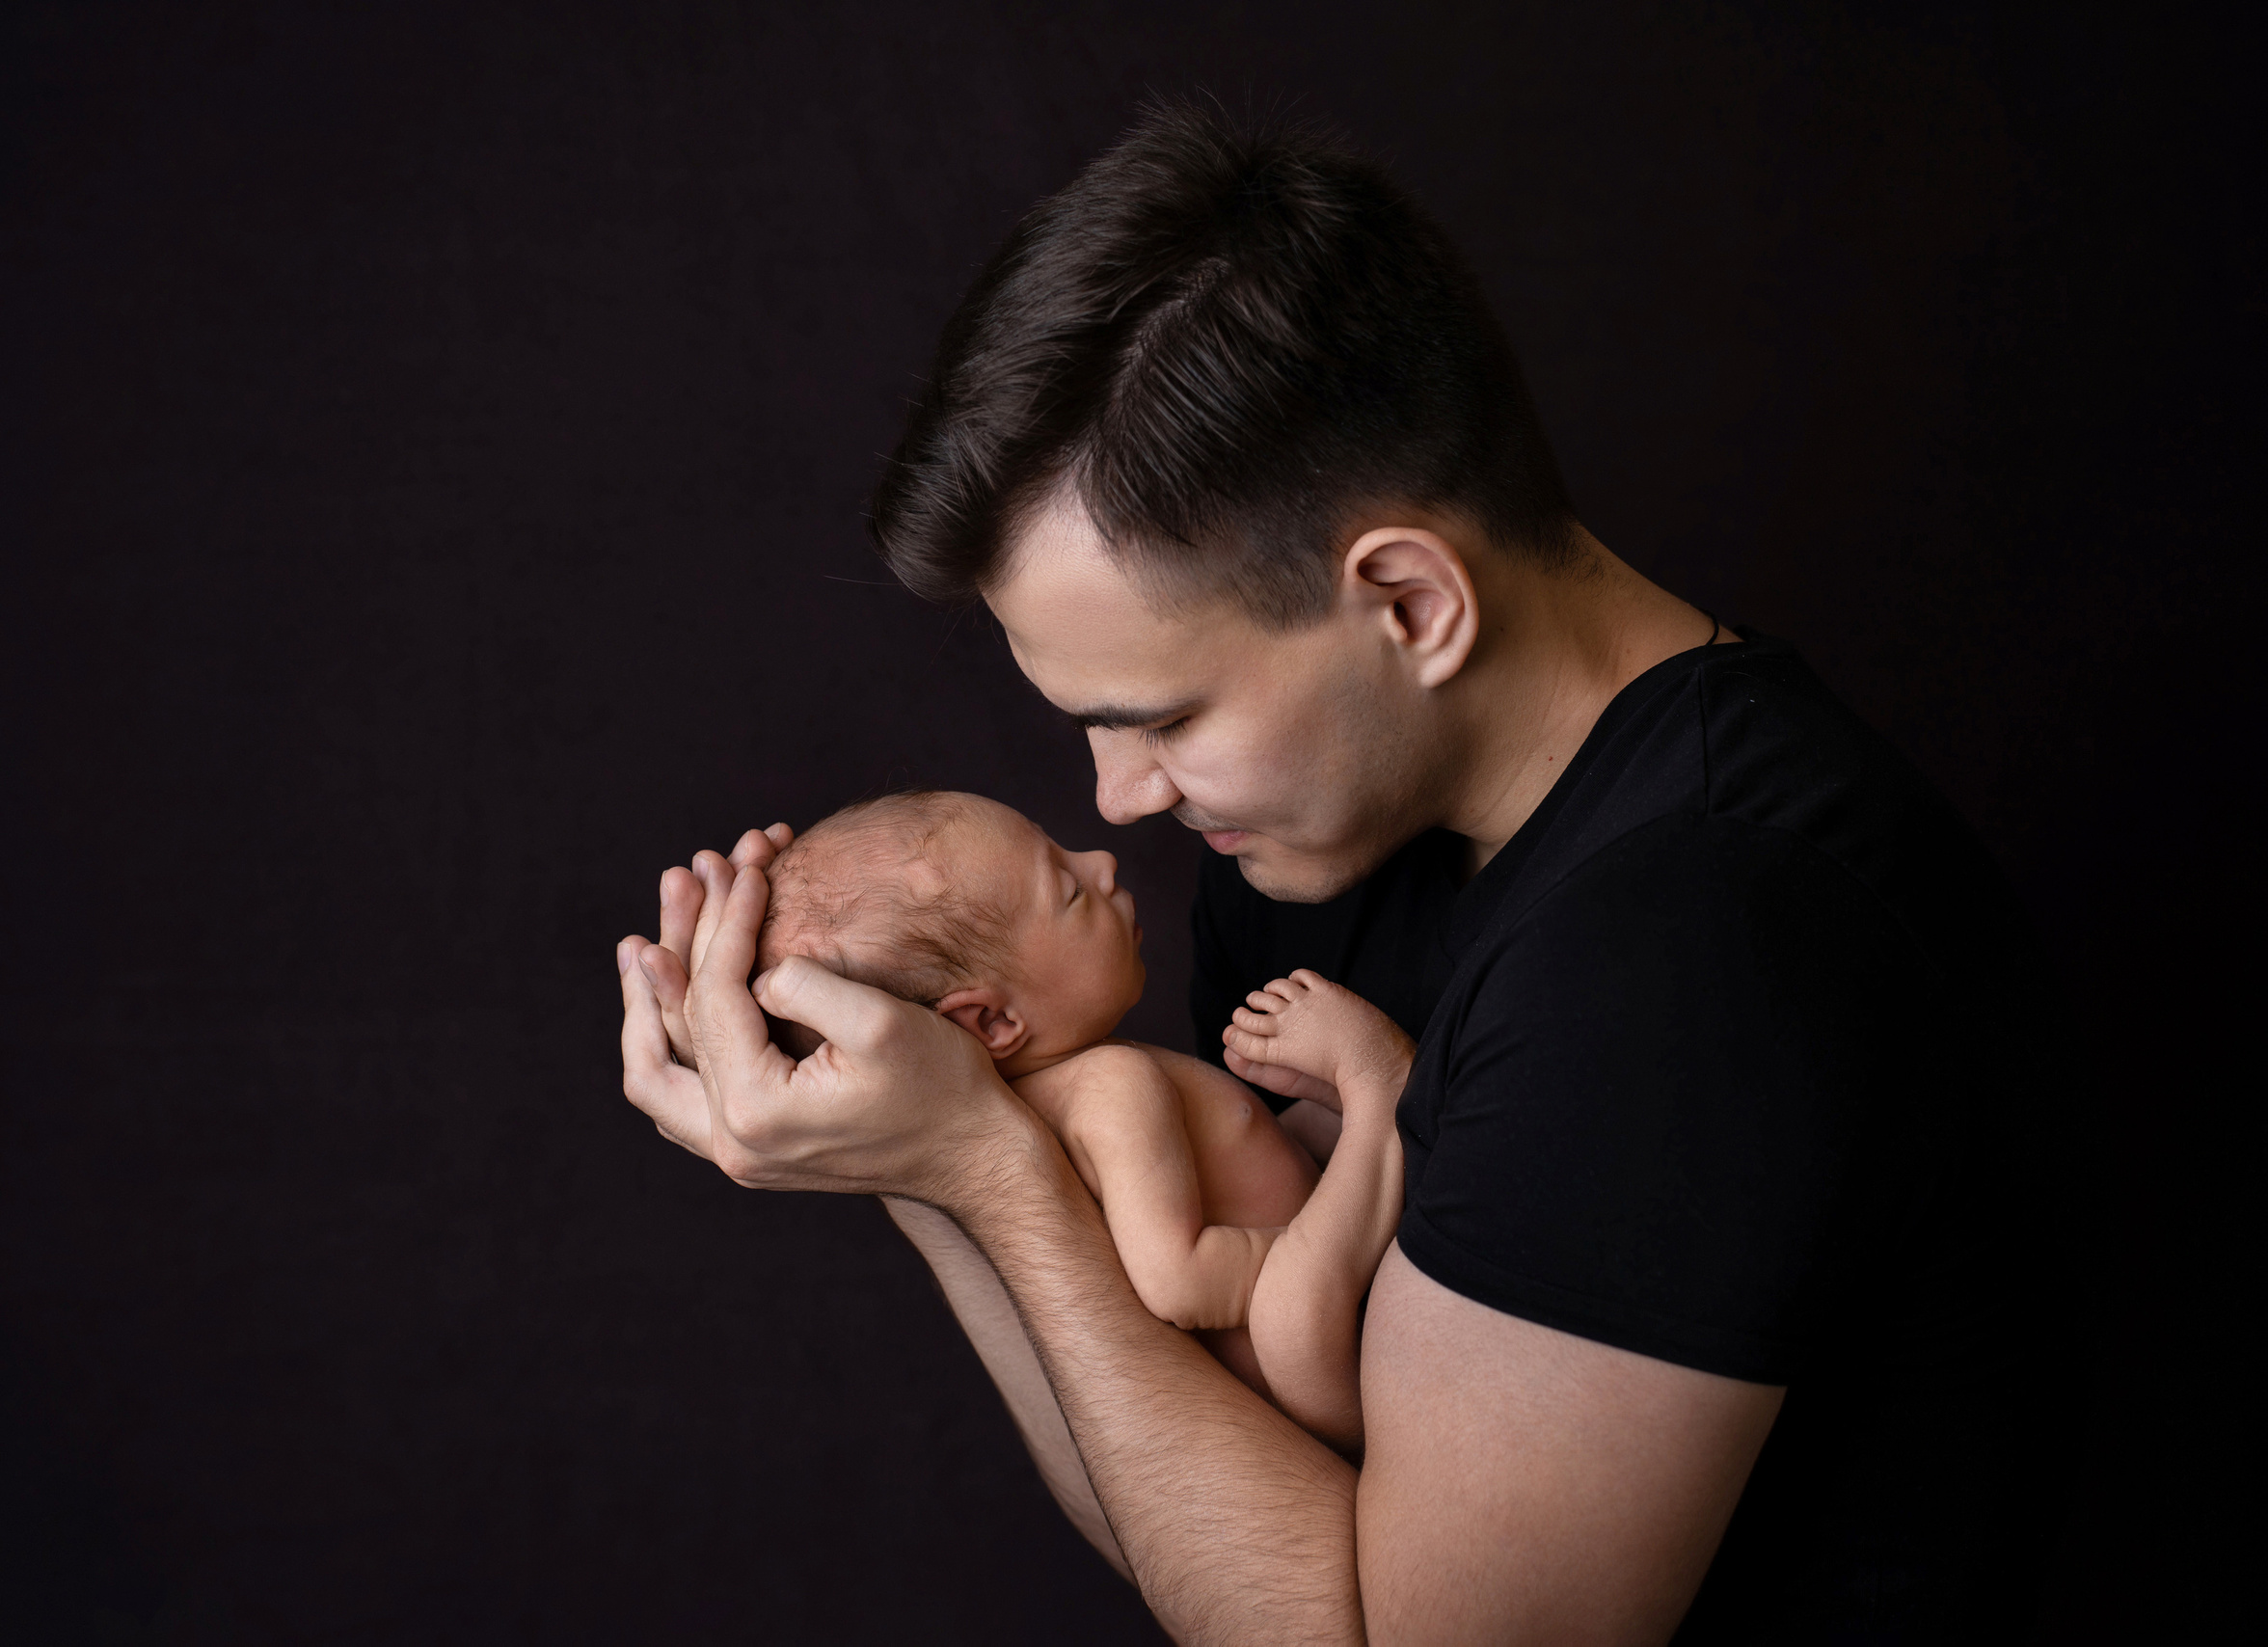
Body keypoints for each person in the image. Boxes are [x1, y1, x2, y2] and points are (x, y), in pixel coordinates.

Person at [618, 101, 2072, 1643]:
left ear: (1410, 602)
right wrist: (922, 1133)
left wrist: (981, 1169)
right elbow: (1227, 1518)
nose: (1120, 799)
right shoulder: (1314, 863)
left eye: (1162, 716)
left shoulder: (1696, 954)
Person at [754, 789, 1417, 1444]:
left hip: (1316, 1334)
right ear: (993, 1020)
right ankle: (1381, 1092)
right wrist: (1314, 1244)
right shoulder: (1112, 1086)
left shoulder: (1045, 1103)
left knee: (1317, 1136)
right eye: (1068, 889)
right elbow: (1178, 1282)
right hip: (1316, 1365)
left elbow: (1237, 1186)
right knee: (1304, 1274)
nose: (1100, 861)